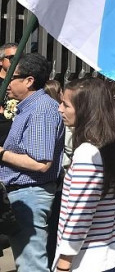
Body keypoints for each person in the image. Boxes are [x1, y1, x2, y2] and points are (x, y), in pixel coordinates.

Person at [54, 77, 115, 272]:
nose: (60, 109)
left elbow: (80, 214)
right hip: (106, 255)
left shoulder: (88, 153)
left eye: (65, 104)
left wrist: (64, 263)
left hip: (82, 262)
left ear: (85, 110)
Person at [0, 53, 65, 272]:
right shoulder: (27, 107)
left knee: (31, 264)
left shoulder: (41, 110)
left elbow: (40, 163)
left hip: (30, 193)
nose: (6, 82)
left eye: (12, 76)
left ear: (29, 81)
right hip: (19, 193)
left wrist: (1, 154)